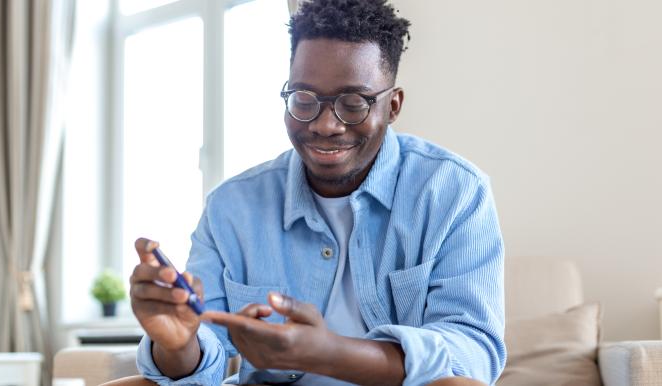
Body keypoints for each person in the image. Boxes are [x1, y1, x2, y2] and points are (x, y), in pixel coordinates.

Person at [130, 0, 506, 385]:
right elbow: (200, 366)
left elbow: (473, 355)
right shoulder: (231, 207)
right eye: (305, 100)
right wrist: (177, 345)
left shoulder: (454, 192)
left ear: (393, 106)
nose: (326, 125)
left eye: (354, 104)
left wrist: (331, 355)